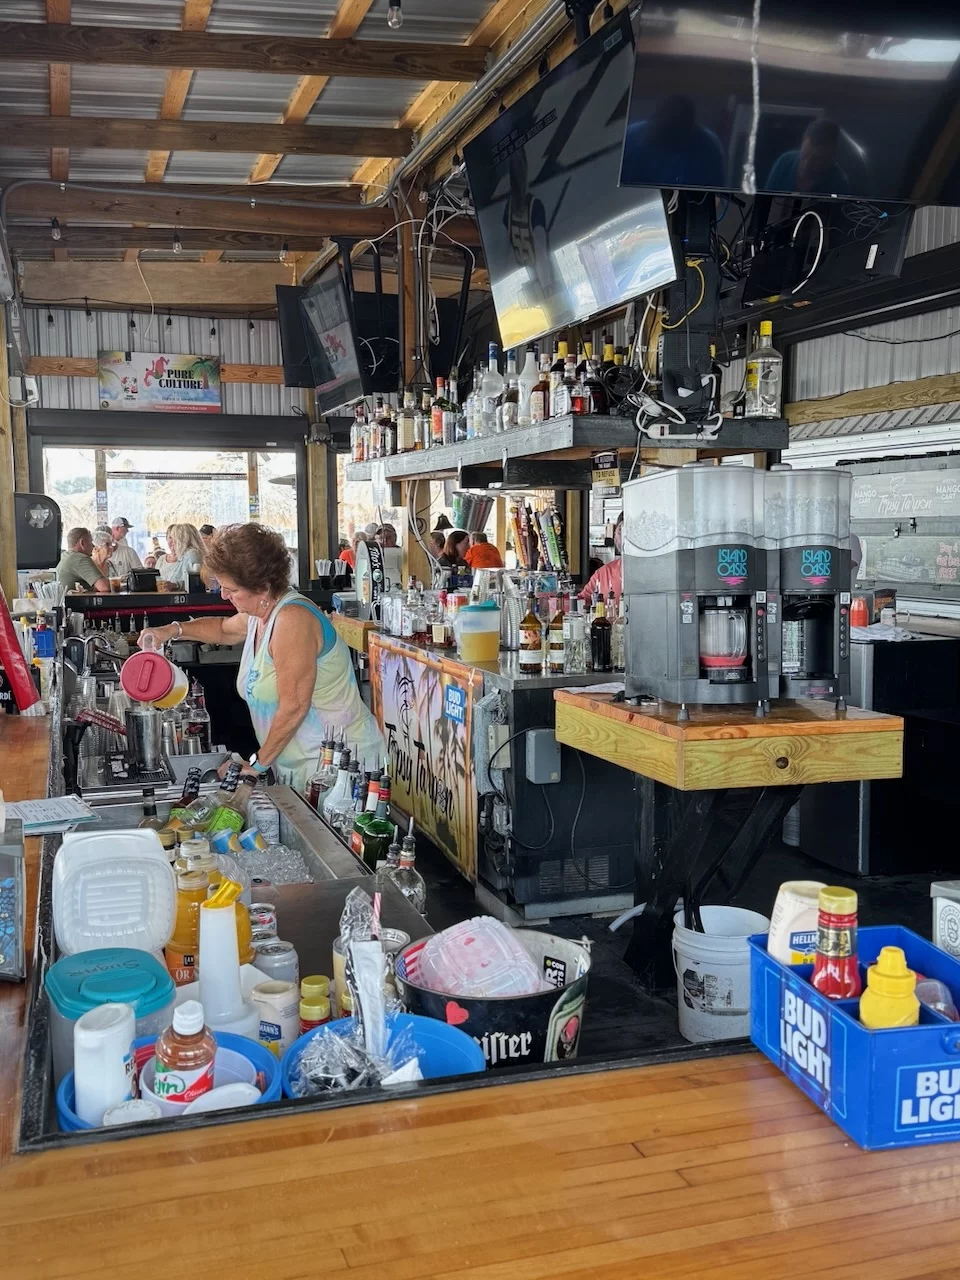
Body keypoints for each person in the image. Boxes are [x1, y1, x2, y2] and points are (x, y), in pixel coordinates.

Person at [138, 523, 385, 791]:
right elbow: (223, 629)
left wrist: (256, 765)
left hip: (340, 769)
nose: (224, 595)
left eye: (231, 590)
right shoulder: (260, 614)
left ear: (263, 588)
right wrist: (172, 630)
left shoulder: (293, 620)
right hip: (303, 766)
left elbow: (294, 706)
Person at [766, 119, 849, 197]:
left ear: (830, 157)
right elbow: (765, 200)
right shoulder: (785, 161)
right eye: (804, 156)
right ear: (802, 143)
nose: (806, 166)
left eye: (816, 160)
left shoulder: (839, 183)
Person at [579, 514, 623, 602]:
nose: (624, 536)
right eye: (620, 530)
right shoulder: (603, 573)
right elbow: (581, 601)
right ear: (614, 535)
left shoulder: (650, 574)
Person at [55, 527, 111, 592]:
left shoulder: (65, 555)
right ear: (82, 543)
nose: (93, 546)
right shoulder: (80, 559)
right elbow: (104, 587)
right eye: (91, 542)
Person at [158, 523, 204, 591]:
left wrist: (175, 585)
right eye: (170, 537)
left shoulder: (191, 554)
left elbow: (194, 583)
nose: (172, 541)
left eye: (175, 537)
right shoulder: (186, 555)